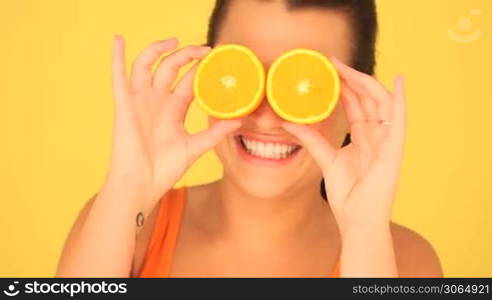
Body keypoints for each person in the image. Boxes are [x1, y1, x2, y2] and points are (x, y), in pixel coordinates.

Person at [56, 0, 443, 277]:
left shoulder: (407, 262)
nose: (267, 115)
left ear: (357, 100)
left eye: (302, 83)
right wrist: (125, 193)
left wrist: (364, 237)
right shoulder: (124, 225)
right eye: (245, 73)